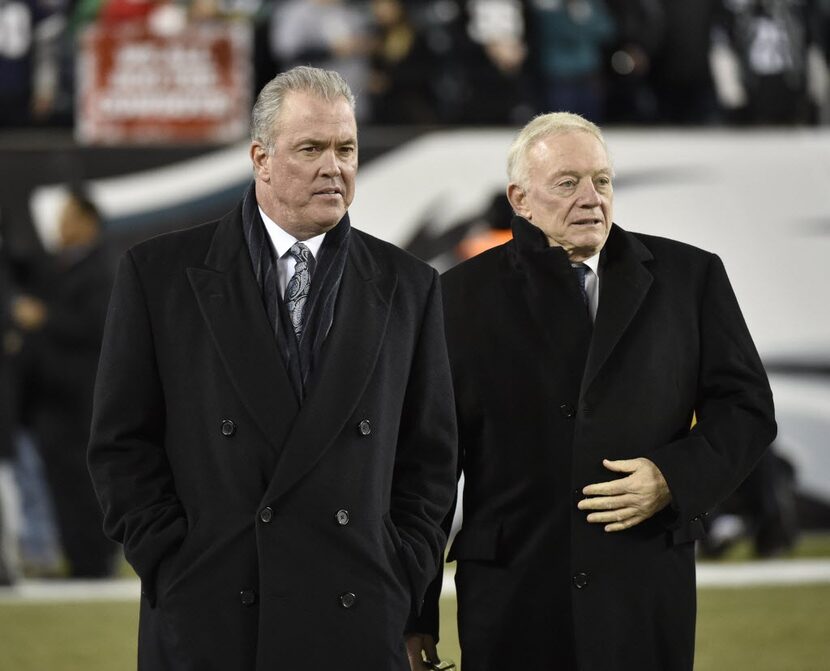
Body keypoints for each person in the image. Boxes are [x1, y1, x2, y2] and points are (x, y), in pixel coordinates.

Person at [87, 66, 457, 671]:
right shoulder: (159, 276)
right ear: (260, 158)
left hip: (358, 611)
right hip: (212, 610)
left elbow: (431, 456)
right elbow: (120, 443)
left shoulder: (410, 286)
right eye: (310, 149)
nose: (332, 167)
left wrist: (403, 567)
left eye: (346, 149)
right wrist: (169, 560)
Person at [407, 112, 776, 670]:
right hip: (514, 602)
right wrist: (415, 611)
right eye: (567, 182)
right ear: (520, 199)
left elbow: (746, 409)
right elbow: (428, 468)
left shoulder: (690, 277)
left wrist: (672, 477)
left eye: (602, 180)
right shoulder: (456, 297)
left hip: (644, 592)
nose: (591, 197)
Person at [10, 188, 117, 578]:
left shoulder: (102, 269)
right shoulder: (61, 264)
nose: (60, 225)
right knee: (60, 482)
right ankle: (77, 558)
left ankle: (95, 560)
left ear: (87, 222)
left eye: (68, 216)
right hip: (50, 397)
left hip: (81, 396)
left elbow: (96, 326)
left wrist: (45, 319)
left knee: (83, 481)